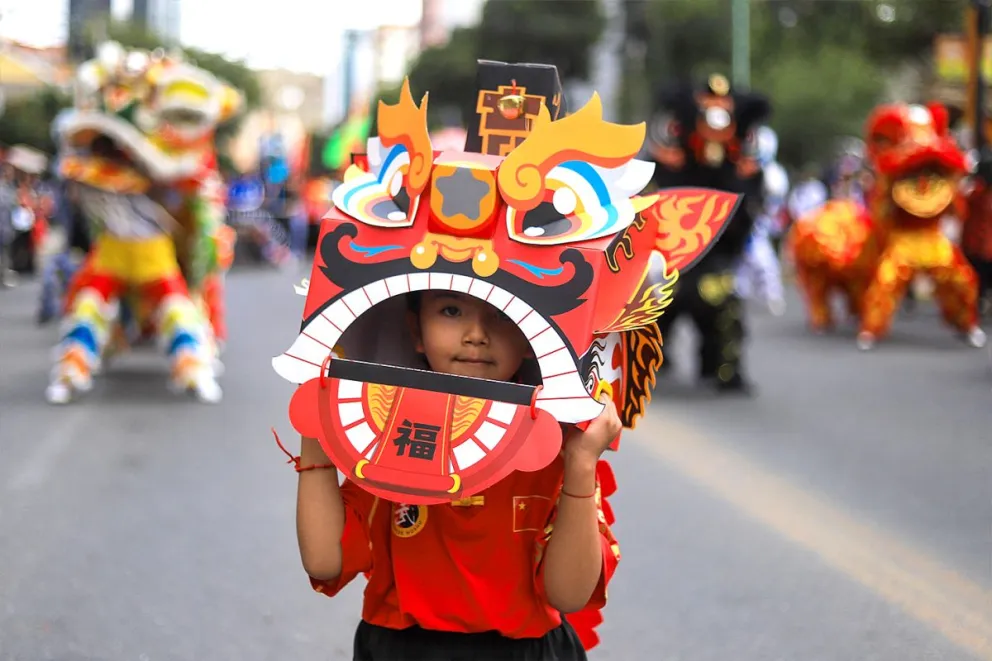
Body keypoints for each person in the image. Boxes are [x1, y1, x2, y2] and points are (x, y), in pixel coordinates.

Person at [293, 290, 621, 661]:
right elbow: (324, 560)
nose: (476, 334)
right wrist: (316, 424)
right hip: (401, 648)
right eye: (451, 310)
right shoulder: (387, 430)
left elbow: (569, 596)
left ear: (535, 335)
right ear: (416, 330)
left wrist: (580, 463)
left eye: (502, 313)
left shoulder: (560, 440)